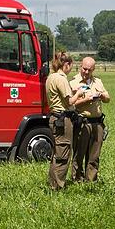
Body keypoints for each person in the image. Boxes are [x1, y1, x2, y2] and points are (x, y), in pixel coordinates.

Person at [68, 56, 110, 182]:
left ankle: (91, 179)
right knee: (79, 154)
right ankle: (77, 179)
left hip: (97, 123)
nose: (86, 72)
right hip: (82, 122)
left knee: (94, 155)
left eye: (89, 70)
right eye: (84, 69)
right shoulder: (73, 83)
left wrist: (101, 95)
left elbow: (108, 98)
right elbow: (70, 104)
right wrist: (86, 100)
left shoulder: (98, 82)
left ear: (93, 69)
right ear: (80, 66)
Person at [45, 52, 76, 190]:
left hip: (54, 117)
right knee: (63, 153)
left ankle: (52, 182)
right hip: (62, 119)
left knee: (57, 152)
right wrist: (80, 94)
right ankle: (58, 185)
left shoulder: (51, 77)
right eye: (71, 66)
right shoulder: (61, 79)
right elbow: (69, 102)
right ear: (66, 64)